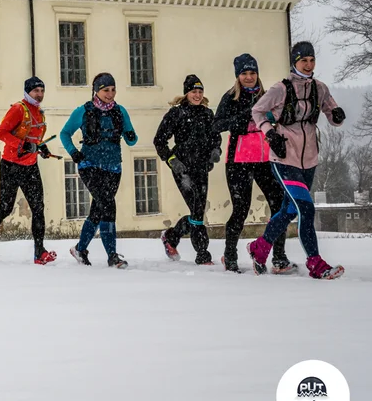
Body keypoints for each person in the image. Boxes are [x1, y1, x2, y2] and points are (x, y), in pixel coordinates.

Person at [248, 42, 346, 279]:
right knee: (305, 208)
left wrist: (337, 116)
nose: (309, 65)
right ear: (294, 62)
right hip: (284, 157)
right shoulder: (281, 89)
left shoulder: (320, 88)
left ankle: (259, 248)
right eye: (304, 60)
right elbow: (257, 111)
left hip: (309, 158)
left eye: (312, 60)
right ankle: (315, 263)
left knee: (289, 210)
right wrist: (270, 134)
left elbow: (332, 113)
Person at [213, 53, 291, 273]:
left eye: (252, 73)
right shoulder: (230, 97)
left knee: (278, 206)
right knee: (240, 209)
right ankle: (230, 256)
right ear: (238, 76)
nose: (249, 77)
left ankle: (279, 257)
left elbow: (280, 119)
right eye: (244, 73)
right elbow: (216, 124)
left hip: (266, 159)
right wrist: (240, 120)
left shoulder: (267, 96)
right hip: (239, 161)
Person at [59, 73, 138, 269]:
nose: (110, 94)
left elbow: (132, 139)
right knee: (107, 204)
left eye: (113, 90)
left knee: (98, 210)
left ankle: (80, 248)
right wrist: (73, 152)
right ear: (96, 91)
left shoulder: (120, 111)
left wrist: (130, 135)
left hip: (113, 167)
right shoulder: (84, 111)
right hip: (90, 165)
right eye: (106, 90)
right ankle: (112, 255)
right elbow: (64, 133)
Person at [0, 76, 57, 264]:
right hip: (11, 165)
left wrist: (41, 147)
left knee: (38, 208)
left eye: (42, 91)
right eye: (36, 91)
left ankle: (39, 252)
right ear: (27, 92)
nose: (40, 95)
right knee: (5, 208)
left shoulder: (39, 112)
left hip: (30, 166)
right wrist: (22, 145)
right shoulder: (18, 109)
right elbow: (1, 133)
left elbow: (34, 138)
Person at [153, 75, 222, 265]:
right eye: (193, 91)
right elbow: (159, 140)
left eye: (200, 92)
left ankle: (172, 236)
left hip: (201, 168)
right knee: (197, 209)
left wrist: (215, 150)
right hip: (182, 168)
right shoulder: (177, 113)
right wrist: (172, 160)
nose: (197, 95)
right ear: (186, 93)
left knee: (197, 210)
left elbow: (216, 137)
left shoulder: (207, 114)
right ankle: (202, 253)